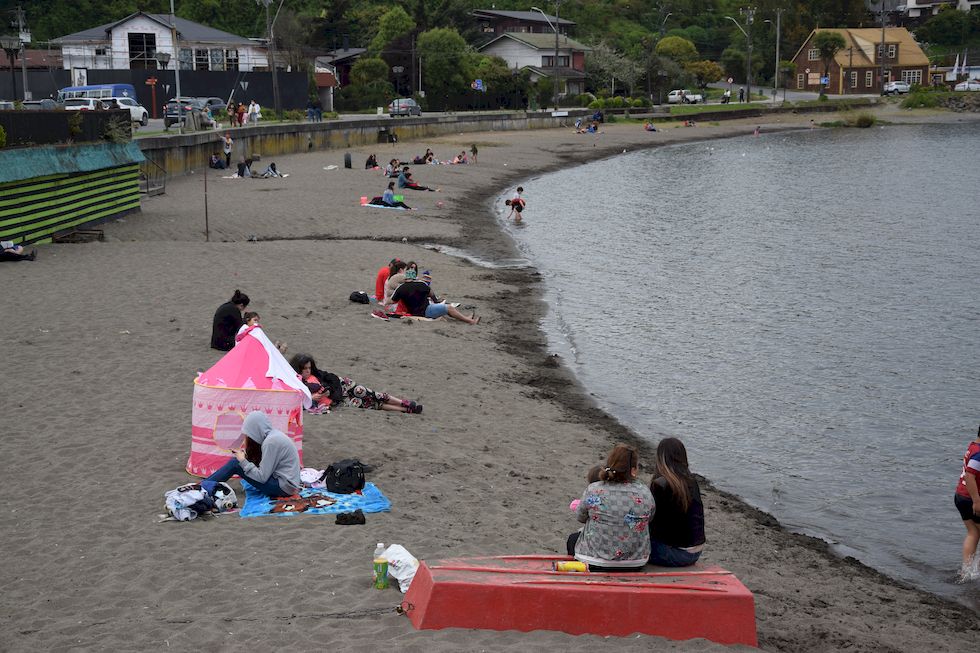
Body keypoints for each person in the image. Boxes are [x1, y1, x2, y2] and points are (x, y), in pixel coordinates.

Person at [566, 443, 653, 571]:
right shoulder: (645, 492)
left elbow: (580, 516)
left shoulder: (595, 490)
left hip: (595, 561)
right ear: (633, 470)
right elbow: (649, 518)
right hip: (635, 562)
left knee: (572, 539)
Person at [202, 411, 300, 498]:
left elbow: (262, 477)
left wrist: (243, 461)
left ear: (254, 430)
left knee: (235, 463)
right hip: (287, 484)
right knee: (239, 462)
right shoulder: (273, 435)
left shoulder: (271, 442)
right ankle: (204, 485)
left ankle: (201, 488)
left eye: (249, 433)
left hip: (283, 488)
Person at [289, 354, 422, 413]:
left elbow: (332, 378)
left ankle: (403, 402)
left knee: (372, 394)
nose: (308, 370)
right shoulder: (296, 382)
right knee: (371, 405)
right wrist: (310, 398)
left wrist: (329, 390)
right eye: (305, 368)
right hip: (338, 401)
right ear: (298, 369)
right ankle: (405, 410)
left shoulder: (316, 374)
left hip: (343, 386)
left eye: (309, 367)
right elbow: (293, 402)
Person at [648, 438, 705, 567]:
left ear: (661, 458)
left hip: (674, 553)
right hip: (696, 551)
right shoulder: (691, 481)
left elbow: (651, 520)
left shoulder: (660, 484)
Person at [391, 270, 480, 324]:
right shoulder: (421, 284)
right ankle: (470, 321)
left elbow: (391, 301)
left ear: (406, 278)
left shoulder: (401, 288)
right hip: (425, 311)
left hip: (414, 311)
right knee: (449, 308)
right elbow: (432, 294)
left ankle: (466, 318)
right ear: (415, 278)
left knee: (445, 309)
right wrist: (435, 300)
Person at [955, 425, 980, 581]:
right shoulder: (979, 454)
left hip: (960, 496)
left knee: (973, 533)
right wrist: (977, 501)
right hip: (971, 499)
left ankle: (967, 572)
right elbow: (970, 476)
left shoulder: (973, 446)